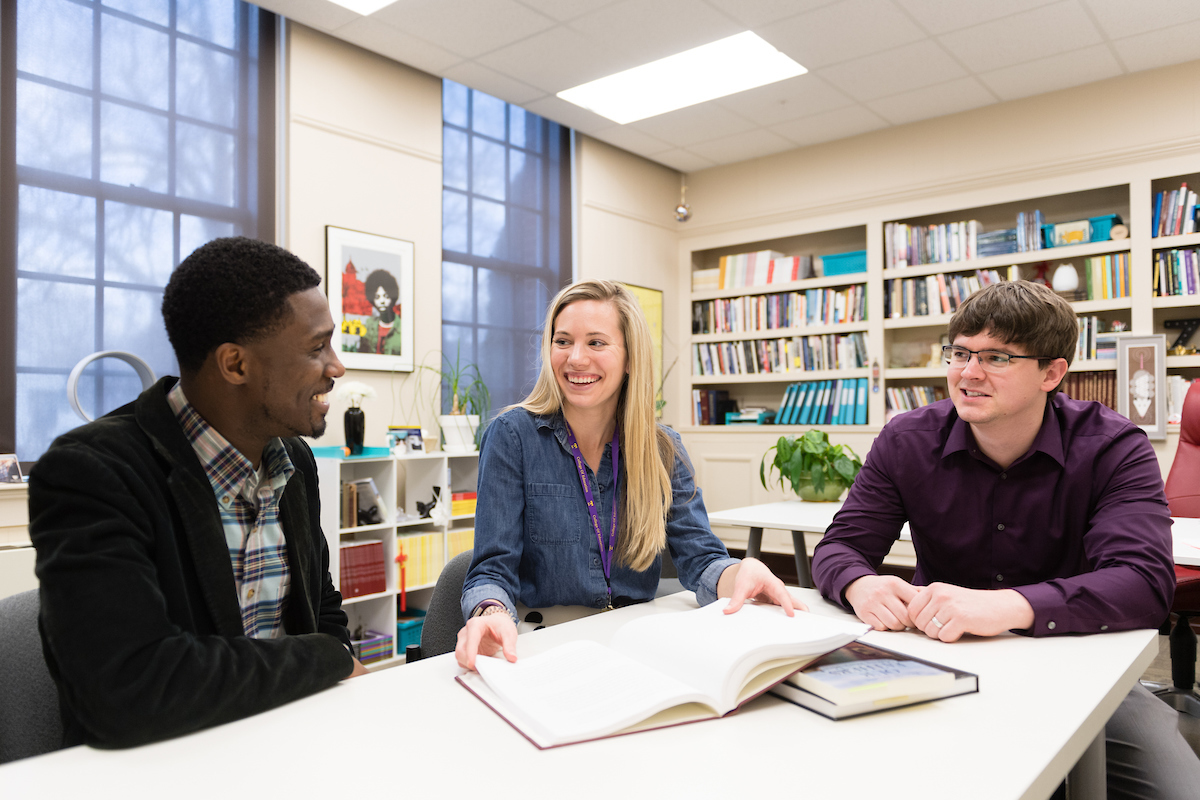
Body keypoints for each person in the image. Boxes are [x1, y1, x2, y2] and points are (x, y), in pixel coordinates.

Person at [811, 280, 1200, 799]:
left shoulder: (1113, 447)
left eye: (997, 357)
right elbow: (840, 548)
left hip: (1077, 659)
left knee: (1175, 789)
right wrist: (860, 584)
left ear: (1052, 373)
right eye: (960, 353)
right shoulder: (906, 439)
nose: (968, 373)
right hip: (935, 658)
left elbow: (1145, 584)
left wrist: (1006, 607)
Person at [29, 237, 367, 750]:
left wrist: (330, 648)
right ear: (235, 365)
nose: (336, 366)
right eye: (316, 347)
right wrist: (330, 657)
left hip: (289, 744)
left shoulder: (293, 460)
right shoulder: (92, 472)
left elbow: (321, 608)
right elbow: (130, 690)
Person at [456, 279, 797, 671]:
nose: (576, 359)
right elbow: (491, 569)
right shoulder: (513, 437)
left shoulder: (662, 450)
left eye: (596, 343)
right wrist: (490, 611)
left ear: (631, 358)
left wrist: (740, 572)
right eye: (562, 341)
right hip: (541, 645)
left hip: (634, 642)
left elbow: (701, 560)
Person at [359, 269, 402, 355]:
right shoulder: (368, 325)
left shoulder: (401, 327)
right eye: (377, 297)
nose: (382, 301)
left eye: (386, 296)